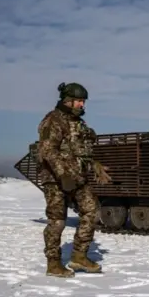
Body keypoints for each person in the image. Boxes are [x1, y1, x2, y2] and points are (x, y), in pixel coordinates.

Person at [37, 82, 111, 277]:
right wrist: (62, 175)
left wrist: (93, 164)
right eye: (78, 101)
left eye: (83, 101)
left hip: (77, 178)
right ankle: (53, 263)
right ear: (67, 101)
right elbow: (47, 151)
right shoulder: (53, 120)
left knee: (92, 211)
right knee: (57, 220)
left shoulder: (78, 123)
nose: (82, 105)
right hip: (55, 178)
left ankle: (79, 256)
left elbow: (80, 151)